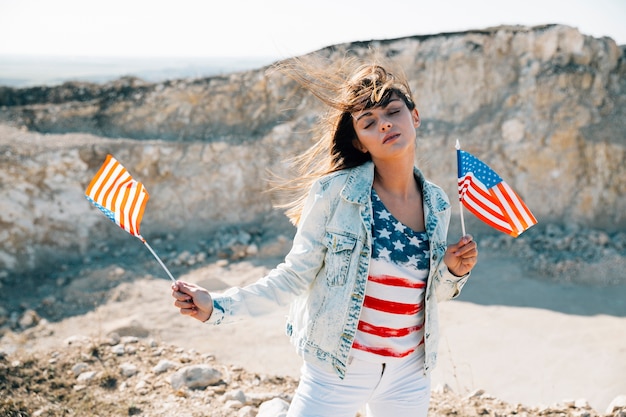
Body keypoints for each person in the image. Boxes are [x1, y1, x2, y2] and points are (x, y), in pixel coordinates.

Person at [172, 57, 478, 417]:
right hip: (339, 368)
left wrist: (453, 270)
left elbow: (430, 296)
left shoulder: (439, 203)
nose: (384, 125)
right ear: (360, 142)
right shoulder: (334, 194)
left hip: (410, 372)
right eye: (369, 123)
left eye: (393, 112)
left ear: (415, 116)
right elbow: (293, 275)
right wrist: (218, 307)